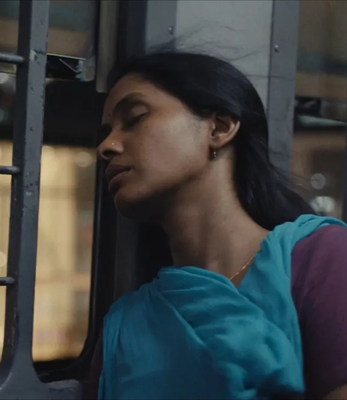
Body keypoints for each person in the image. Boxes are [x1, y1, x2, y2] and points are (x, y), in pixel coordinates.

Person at [85, 51, 347, 399]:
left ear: (220, 128)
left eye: (134, 118)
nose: (106, 146)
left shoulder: (321, 258)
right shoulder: (123, 327)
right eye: (106, 133)